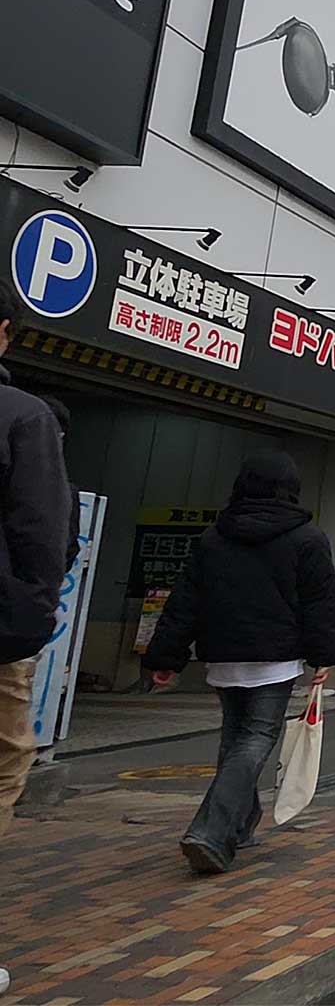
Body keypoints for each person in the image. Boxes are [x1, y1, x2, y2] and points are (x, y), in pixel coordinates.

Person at [143, 451, 335, 873]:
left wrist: (167, 657)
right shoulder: (306, 538)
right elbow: (319, 605)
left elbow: (186, 603)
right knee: (255, 740)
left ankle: (240, 826)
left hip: (222, 656)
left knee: (234, 739)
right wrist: (323, 656)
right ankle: (211, 831)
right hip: (275, 659)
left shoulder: (215, 537)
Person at [0, 288, 72, 843]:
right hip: (1, 631)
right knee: (4, 757)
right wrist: (32, 619)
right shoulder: (24, 417)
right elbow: (41, 535)